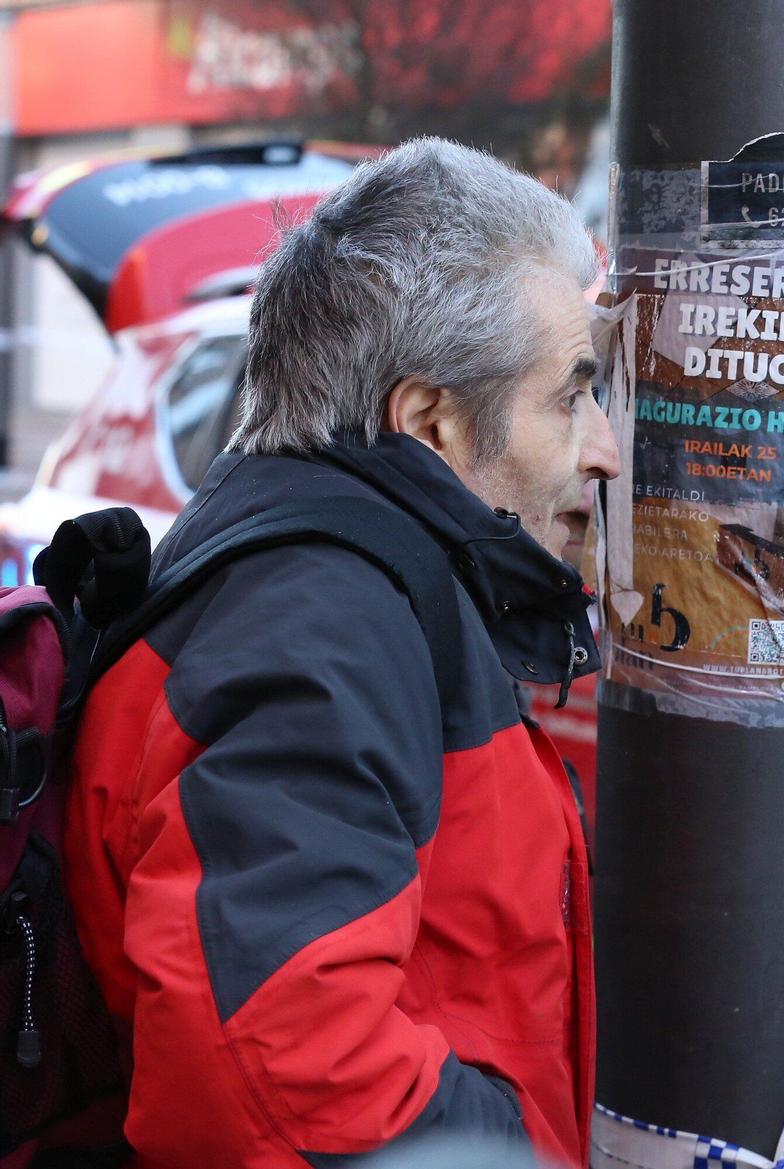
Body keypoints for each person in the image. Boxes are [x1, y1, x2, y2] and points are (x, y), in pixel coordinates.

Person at [63, 138, 619, 1167]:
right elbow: (272, 1075)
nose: (605, 448)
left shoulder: (345, 580)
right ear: (429, 420)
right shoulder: (320, 621)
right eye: (570, 396)